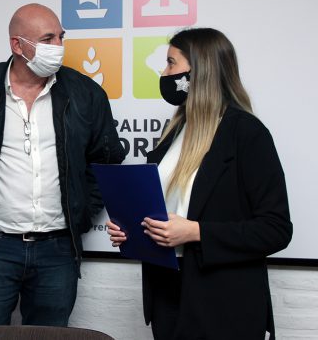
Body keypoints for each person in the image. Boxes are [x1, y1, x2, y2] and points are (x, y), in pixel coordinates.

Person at [0, 3, 125, 329]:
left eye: (61, 37)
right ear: (17, 45)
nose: (58, 47)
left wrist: (82, 212)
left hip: (58, 250)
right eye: (47, 39)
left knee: (49, 337)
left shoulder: (86, 94)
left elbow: (105, 161)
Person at [107, 28, 292, 340]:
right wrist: (131, 229)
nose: (163, 72)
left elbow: (276, 229)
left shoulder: (246, 134)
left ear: (200, 71)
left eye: (171, 63)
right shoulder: (174, 133)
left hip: (224, 305)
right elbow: (166, 212)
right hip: (168, 295)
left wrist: (196, 232)